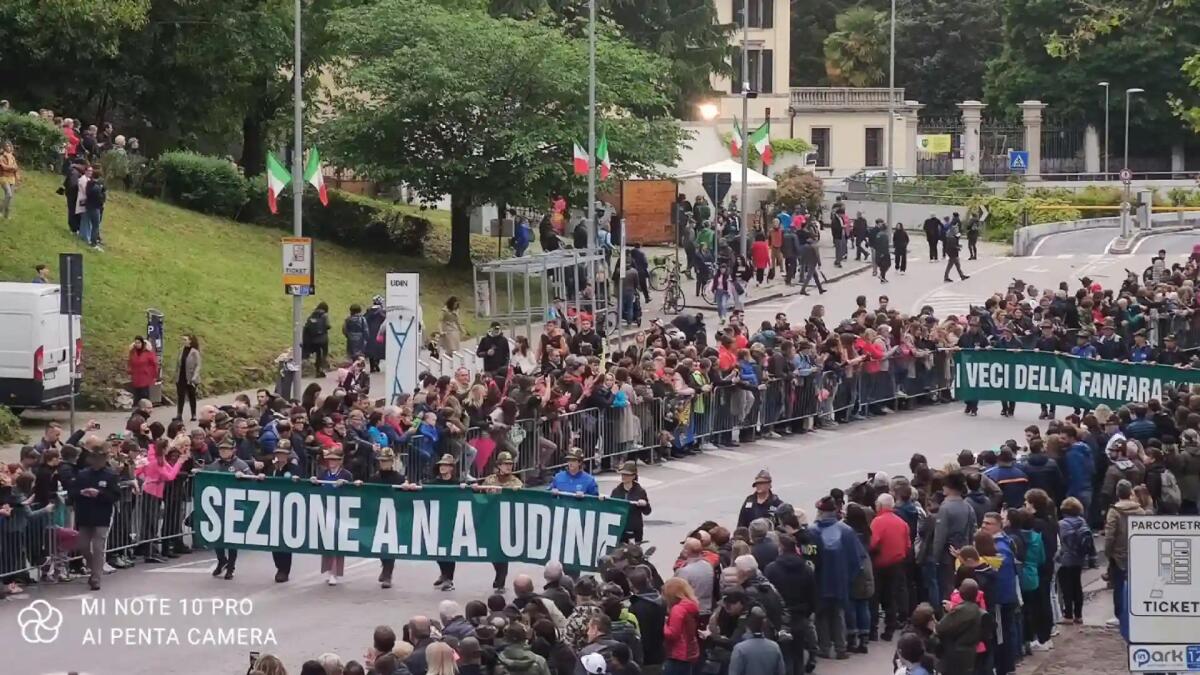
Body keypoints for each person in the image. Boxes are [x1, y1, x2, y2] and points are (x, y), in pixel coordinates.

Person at [70, 444, 119, 590]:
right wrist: (82, 493)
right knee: (83, 546)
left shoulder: (110, 475)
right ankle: (93, 568)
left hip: (102, 516)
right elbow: (73, 492)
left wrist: (99, 494)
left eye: (101, 459)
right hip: (84, 515)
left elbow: (115, 496)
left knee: (98, 548)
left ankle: (96, 577)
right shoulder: (83, 474)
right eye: (95, 458)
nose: (98, 461)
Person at [204, 438, 251, 579]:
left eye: (226, 449)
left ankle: (231, 566)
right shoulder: (215, 465)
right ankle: (221, 561)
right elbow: (206, 478)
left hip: (235, 507)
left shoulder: (240, 465)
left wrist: (243, 477)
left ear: (233, 450)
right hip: (218, 506)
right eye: (221, 449)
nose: (223, 452)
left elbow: (252, 482)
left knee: (232, 539)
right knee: (217, 536)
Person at [1104, 479, 1144, 637]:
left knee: (1118, 586)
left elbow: (1109, 535)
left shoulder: (1114, 512)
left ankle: (1119, 616)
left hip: (1118, 554)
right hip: (1137, 553)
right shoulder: (1140, 511)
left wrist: (1108, 553)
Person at [479, 451, 523, 591]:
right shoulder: (490, 480)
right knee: (491, 550)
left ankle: (501, 579)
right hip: (491, 519)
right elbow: (481, 497)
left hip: (507, 520)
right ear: (499, 465)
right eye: (505, 464)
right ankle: (499, 573)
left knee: (502, 550)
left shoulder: (516, 482)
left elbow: (524, 500)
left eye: (510, 464)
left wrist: (518, 493)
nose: (508, 467)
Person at [936, 578, 984, 675]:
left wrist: (949, 612)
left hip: (957, 653)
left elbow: (941, 627)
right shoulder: (976, 609)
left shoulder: (962, 610)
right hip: (970, 651)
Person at [661, 577, 701, 675]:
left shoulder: (677, 609)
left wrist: (663, 625)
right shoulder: (690, 605)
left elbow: (673, 634)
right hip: (689, 651)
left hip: (678, 654)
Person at [729, 607, 785, 675]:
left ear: (747, 627)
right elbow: (781, 672)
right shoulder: (775, 647)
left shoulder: (740, 649)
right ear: (763, 627)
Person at [610, 461, 651, 543]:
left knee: (635, 553)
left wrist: (644, 504)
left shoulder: (640, 491)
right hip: (621, 528)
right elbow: (611, 508)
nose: (624, 477)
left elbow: (647, 511)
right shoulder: (616, 491)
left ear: (633, 476)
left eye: (627, 475)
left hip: (635, 529)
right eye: (623, 474)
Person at [176, 334, 202, 421]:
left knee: (192, 396)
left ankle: (193, 414)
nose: (183, 341)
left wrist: (195, 377)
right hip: (181, 376)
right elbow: (178, 364)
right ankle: (179, 414)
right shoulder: (181, 350)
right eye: (183, 339)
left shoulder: (194, 352)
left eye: (185, 339)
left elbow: (198, 365)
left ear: (190, 341)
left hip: (190, 378)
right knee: (180, 396)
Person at [303, 302, 332, 377]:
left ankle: (317, 369)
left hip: (313, 339)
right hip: (323, 339)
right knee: (324, 354)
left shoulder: (312, 315)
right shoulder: (324, 315)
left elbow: (307, 327)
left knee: (318, 354)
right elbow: (328, 325)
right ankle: (322, 369)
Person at [128, 336, 159, 403]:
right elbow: (130, 362)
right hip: (136, 378)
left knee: (144, 396)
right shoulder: (133, 352)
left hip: (145, 378)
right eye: (136, 343)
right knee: (137, 396)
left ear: (142, 343)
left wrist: (153, 375)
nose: (137, 344)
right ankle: (137, 410)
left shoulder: (148, 352)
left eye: (139, 343)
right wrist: (130, 371)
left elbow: (154, 364)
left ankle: (145, 410)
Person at [82, 166, 106, 249]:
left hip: (88, 206)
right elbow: (100, 198)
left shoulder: (89, 183)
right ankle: (93, 243)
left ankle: (85, 237)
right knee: (96, 226)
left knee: (87, 223)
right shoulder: (97, 187)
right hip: (95, 208)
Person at [0, 140, 18, 219]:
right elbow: (4, 167)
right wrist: (11, 167)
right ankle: (0, 210)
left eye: (9, 146)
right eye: (6, 146)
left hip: (12, 178)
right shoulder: (1, 157)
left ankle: (6, 216)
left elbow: (16, 168)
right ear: (4, 147)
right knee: (9, 194)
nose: (8, 147)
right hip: (3, 177)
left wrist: (12, 168)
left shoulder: (13, 157)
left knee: (10, 198)